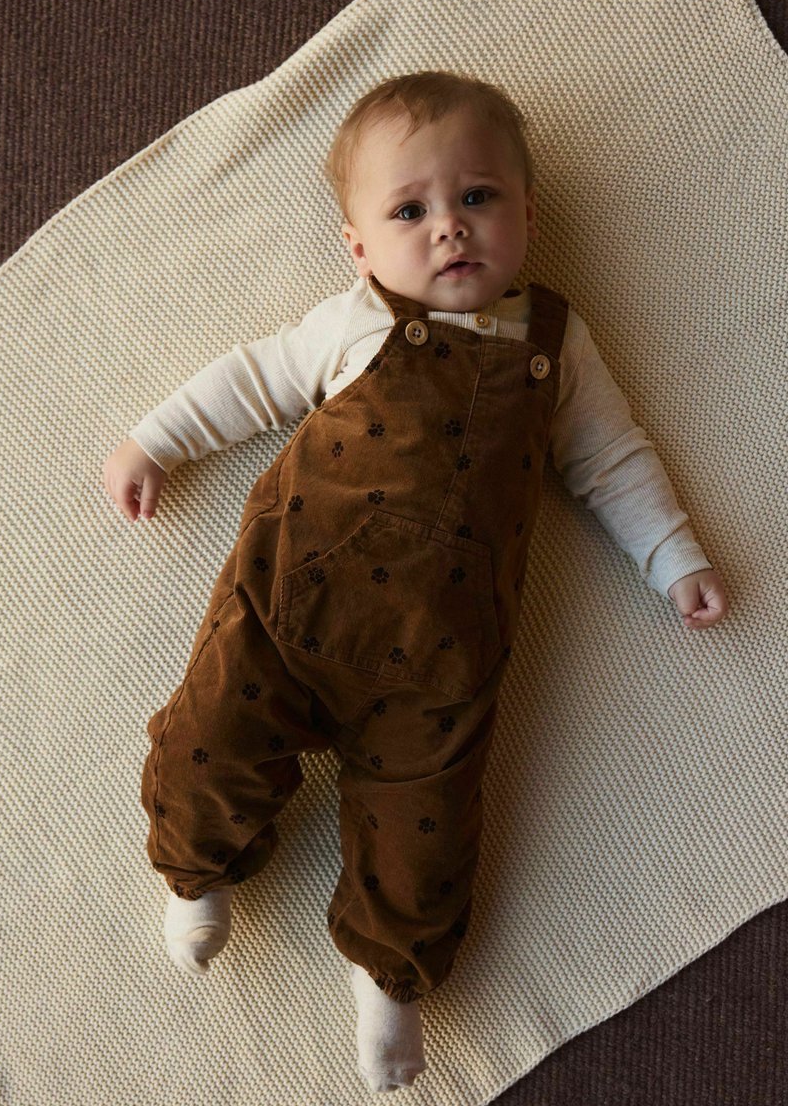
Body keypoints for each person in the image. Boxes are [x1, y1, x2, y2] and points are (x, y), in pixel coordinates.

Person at [103, 71, 729, 1093]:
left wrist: (674, 559)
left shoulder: (553, 345)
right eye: (410, 211)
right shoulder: (348, 320)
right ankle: (197, 872)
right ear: (358, 247)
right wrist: (156, 441)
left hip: (438, 667)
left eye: (477, 198)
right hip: (286, 615)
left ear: (527, 216)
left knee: (425, 837)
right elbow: (252, 379)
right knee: (206, 739)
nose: (449, 229)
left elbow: (611, 460)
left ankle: (386, 983)